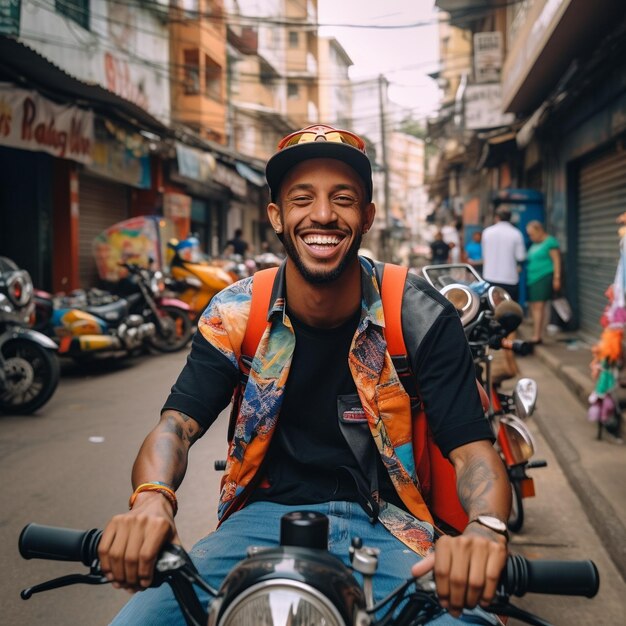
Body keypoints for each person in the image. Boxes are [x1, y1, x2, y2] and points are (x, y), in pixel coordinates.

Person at [99, 124, 510, 625]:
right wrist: (151, 501)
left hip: (394, 529)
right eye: (302, 198)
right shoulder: (235, 313)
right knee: (136, 622)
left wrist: (485, 531)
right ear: (277, 215)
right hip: (256, 525)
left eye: (343, 198)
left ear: (367, 217)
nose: (322, 215)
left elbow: (472, 454)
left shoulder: (420, 317)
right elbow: (175, 428)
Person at [526, 220, 561, 344]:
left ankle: (537, 335)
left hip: (543, 276)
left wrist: (557, 278)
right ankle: (538, 333)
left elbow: (557, 261)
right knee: (535, 307)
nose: (531, 237)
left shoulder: (550, 242)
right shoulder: (535, 244)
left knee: (539, 306)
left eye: (532, 234)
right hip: (533, 278)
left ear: (539, 230)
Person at [481, 206, 526, 302]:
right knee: (509, 310)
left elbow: (484, 255)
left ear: (496, 217)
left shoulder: (487, 232)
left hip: (489, 277)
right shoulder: (516, 233)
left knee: (492, 309)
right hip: (510, 278)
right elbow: (521, 257)